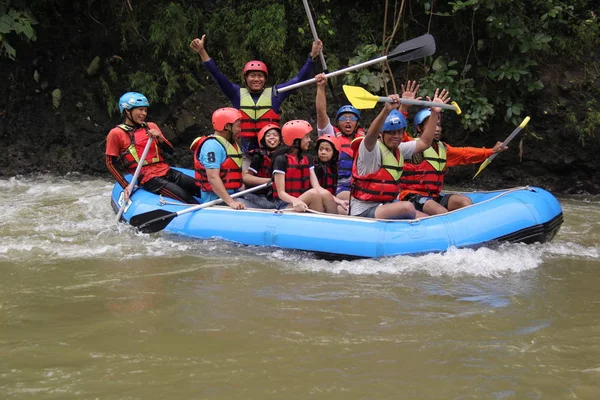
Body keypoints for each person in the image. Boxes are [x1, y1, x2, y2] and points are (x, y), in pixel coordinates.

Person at [190, 34, 323, 158]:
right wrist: (202, 51)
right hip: (245, 149)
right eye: (252, 75)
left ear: (265, 79)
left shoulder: (275, 94)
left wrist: (312, 56)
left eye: (260, 76)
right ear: (246, 78)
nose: (256, 79)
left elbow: (298, 79)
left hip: (270, 149)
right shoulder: (236, 93)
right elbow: (217, 75)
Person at [350, 89, 451, 219]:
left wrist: (435, 113)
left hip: (387, 205)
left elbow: (425, 142)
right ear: (381, 134)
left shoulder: (400, 149)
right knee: (407, 207)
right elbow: (371, 135)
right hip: (363, 211)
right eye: (391, 133)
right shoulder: (370, 149)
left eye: (399, 132)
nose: (396, 136)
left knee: (426, 218)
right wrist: (386, 111)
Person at [400, 108, 509, 215]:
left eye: (438, 125)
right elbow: (399, 133)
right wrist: (404, 107)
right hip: (412, 196)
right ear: (419, 128)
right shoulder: (411, 145)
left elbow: (465, 153)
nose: (437, 129)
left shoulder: (443, 148)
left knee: (465, 202)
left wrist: (492, 151)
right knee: (440, 211)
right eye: (433, 125)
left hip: (434, 197)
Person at [105, 92, 199, 204]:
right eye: (140, 109)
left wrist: (159, 138)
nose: (144, 113)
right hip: (149, 179)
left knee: (203, 188)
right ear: (127, 111)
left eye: (145, 110)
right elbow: (110, 163)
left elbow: (170, 151)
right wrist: (125, 185)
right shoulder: (116, 133)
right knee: (188, 200)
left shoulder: (151, 126)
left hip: (167, 171)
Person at [271, 120, 343, 213]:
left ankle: (334, 223)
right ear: (296, 139)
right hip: (285, 205)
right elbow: (281, 193)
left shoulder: (307, 158)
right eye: (307, 137)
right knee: (313, 194)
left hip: (302, 202)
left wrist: (340, 201)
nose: (309, 140)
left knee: (324, 193)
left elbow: (317, 187)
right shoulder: (281, 160)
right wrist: (295, 200)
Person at [315, 73, 364, 203]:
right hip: (340, 185)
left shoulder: (365, 139)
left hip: (361, 183)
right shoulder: (330, 134)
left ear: (357, 123)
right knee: (351, 200)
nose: (348, 121)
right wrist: (321, 87)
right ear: (337, 122)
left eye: (352, 118)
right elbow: (321, 114)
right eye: (343, 118)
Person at [189, 107, 246, 210]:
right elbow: (213, 178)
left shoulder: (231, 144)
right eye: (238, 126)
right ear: (227, 126)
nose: (240, 129)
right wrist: (231, 203)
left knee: (267, 205)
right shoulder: (212, 146)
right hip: (216, 199)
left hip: (234, 194)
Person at [241, 123, 283, 209]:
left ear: (280, 140)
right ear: (263, 140)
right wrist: (270, 181)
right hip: (261, 194)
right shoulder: (258, 157)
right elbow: (247, 178)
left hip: (278, 195)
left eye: (275, 135)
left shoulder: (285, 157)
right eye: (268, 135)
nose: (272, 137)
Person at [313, 135, 349, 214]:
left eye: (327, 150)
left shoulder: (334, 168)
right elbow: (320, 191)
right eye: (320, 149)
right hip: (316, 201)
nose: (323, 152)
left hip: (330, 200)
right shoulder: (315, 168)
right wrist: (338, 201)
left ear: (334, 153)